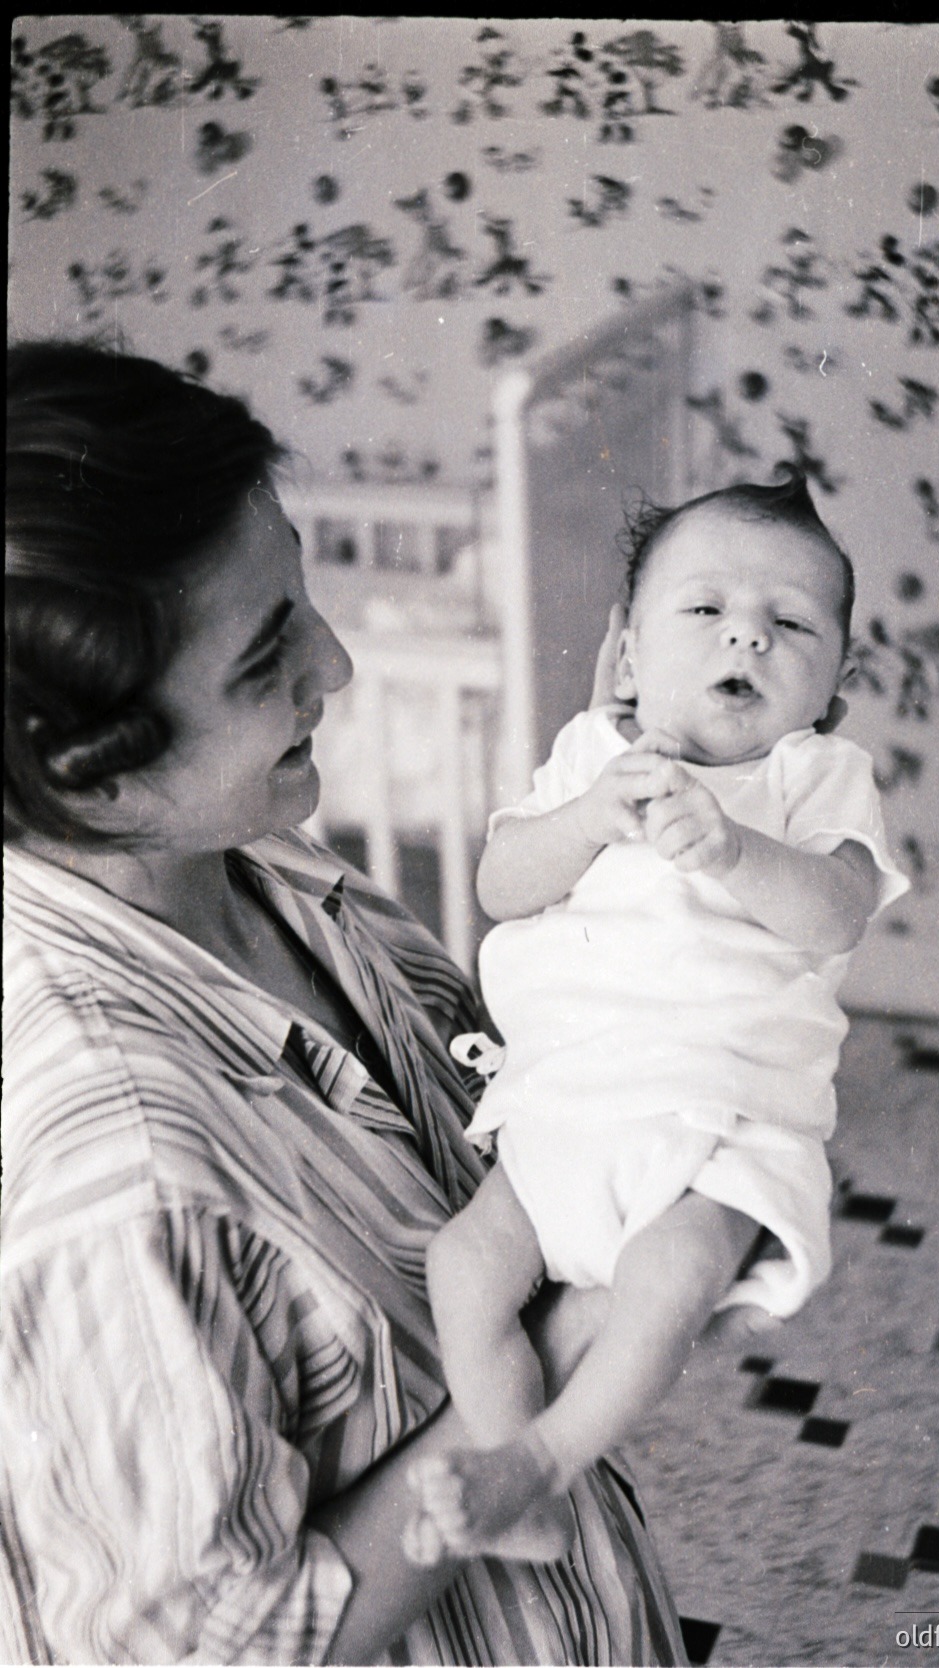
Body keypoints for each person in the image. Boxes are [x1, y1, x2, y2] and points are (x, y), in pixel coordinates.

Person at [1, 339, 689, 1666]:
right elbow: (218, 1646)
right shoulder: (122, 1178)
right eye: (268, 661)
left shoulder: (258, 854)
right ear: (88, 774)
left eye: (301, 601)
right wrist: (557, 1347)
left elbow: (457, 1089)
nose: (339, 666)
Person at [406, 477, 910, 1566]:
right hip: (569, 1104)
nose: (745, 633)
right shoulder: (596, 755)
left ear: (834, 685)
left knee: (672, 1277)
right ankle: (509, 1469)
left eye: (788, 624)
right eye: (705, 610)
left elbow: (835, 916)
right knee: (463, 1265)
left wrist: (735, 850)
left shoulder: (814, 776)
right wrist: (585, 817)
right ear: (628, 655)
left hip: (722, 1113)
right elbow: (501, 883)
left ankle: (548, 1458)